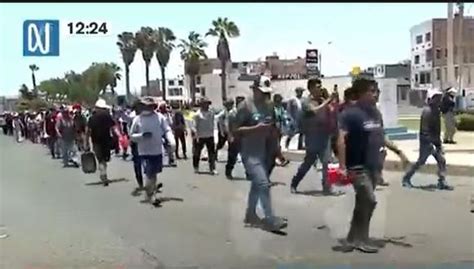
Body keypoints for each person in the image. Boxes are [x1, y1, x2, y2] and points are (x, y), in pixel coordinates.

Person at [234, 75, 287, 232]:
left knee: (257, 185)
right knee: (263, 184)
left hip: (264, 152)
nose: (265, 96)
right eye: (262, 92)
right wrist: (255, 129)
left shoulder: (269, 106)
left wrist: (277, 151)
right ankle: (270, 219)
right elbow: (235, 130)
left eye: (267, 93)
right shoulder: (245, 106)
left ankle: (250, 214)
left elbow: (272, 130)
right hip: (249, 153)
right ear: (255, 89)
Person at [336, 78, 382, 253]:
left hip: (373, 165)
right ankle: (362, 239)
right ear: (361, 93)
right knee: (369, 201)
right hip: (357, 165)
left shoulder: (376, 114)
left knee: (362, 203)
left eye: (376, 91)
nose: (375, 94)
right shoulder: (350, 114)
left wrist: (395, 151)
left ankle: (351, 239)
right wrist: (342, 166)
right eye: (372, 91)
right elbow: (341, 139)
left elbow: (379, 136)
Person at [290, 78, 338, 195]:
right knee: (308, 162)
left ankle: (327, 188)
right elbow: (314, 111)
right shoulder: (306, 102)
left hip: (324, 136)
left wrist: (334, 100)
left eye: (320, 86)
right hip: (312, 137)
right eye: (317, 87)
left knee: (326, 163)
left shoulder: (322, 100)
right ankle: (295, 182)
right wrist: (327, 101)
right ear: (310, 89)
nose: (319, 89)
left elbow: (333, 110)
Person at [402, 89, 453, 190]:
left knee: (441, 160)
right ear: (431, 99)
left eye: (439, 98)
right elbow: (424, 130)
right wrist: (429, 143)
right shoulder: (427, 111)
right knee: (421, 161)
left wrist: (438, 143)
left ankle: (442, 181)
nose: (439, 100)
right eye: (436, 98)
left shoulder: (436, 111)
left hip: (435, 141)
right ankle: (406, 178)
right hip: (426, 142)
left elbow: (437, 129)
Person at [130, 97, 175, 204]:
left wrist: (171, 141)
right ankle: (152, 196)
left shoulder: (159, 118)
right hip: (144, 151)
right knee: (149, 173)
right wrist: (141, 136)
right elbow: (131, 135)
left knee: (153, 174)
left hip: (157, 150)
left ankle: (150, 192)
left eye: (150, 106)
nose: (148, 108)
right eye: (145, 106)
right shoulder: (137, 119)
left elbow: (167, 129)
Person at [85, 99, 118, 186]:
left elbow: (88, 131)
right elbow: (114, 128)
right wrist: (119, 136)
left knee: (100, 159)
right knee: (104, 159)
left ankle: (103, 173)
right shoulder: (107, 117)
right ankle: (103, 173)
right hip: (106, 141)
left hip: (96, 141)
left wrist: (86, 142)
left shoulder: (92, 118)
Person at [191, 97, 217, 175]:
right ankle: (196, 167)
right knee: (197, 153)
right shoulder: (197, 114)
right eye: (205, 104)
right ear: (201, 105)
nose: (207, 105)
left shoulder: (211, 113)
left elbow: (213, 124)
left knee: (211, 153)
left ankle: (212, 168)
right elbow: (194, 126)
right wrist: (196, 135)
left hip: (210, 135)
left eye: (208, 104)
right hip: (200, 136)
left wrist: (214, 133)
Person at [225, 96, 245, 179]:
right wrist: (230, 136)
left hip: (244, 137)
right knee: (232, 156)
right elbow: (228, 125)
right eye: (239, 102)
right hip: (234, 137)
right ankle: (228, 172)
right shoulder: (232, 113)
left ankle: (248, 173)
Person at [272, 94, 290, 167]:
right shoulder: (272, 108)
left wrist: (286, 120)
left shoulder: (281, 108)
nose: (280, 102)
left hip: (279, 127)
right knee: (275, 144)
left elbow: (283, 116)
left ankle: (278, 159)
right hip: (273, 127)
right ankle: (280, 159)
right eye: (278, 100)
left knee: (277, 143)